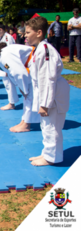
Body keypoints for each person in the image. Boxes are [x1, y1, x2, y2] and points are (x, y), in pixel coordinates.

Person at [25, 16, 70, 166]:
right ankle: (47, 152)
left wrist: (45, 103)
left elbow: (47, 79)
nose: (24, 35)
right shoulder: (40, 49)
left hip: (53, 94)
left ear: (39, 32)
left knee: (51, 126)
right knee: (46, 125)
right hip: (46, 92)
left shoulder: (45, 50)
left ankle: (52, 157)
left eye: (27, 32)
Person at [0, 22, 19, 111]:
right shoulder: (1, 38)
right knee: (7, 84)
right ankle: (11, 102)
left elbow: (10, 53)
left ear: (1, 30)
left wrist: (7, 69)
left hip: (7, 65)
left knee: (9, 84)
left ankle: (12, 103)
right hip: (3, 64)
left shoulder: (8, 38)